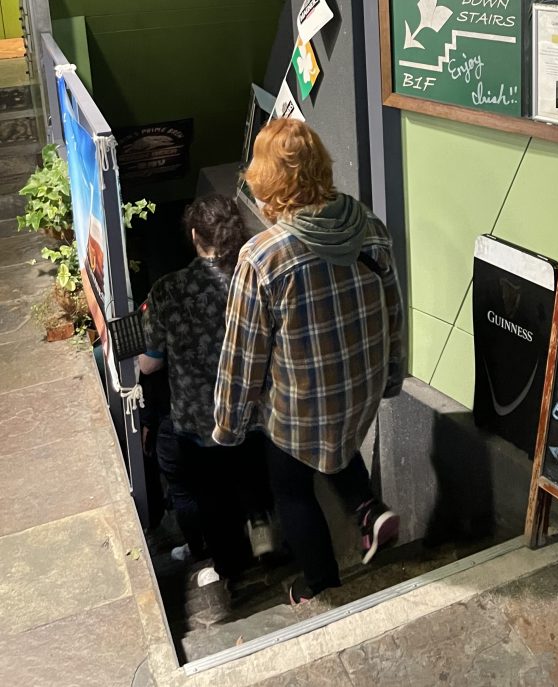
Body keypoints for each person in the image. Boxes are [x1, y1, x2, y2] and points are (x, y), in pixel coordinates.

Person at [213, 119, 406, 603]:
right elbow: (394, 313)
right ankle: (367, 509)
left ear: (268, 182)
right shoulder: (370, 228)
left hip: (300, 409)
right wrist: (391, 377)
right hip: (359, 392)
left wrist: (228, 427)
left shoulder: (262, 257)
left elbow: (242, 356)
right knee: (336, 443)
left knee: (291, 487)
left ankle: (322, 586)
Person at [139, 194, 271, 584]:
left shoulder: (167, 290)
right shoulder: (255, 278)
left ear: (195, 235)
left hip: (199, 419)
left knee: (212, 499)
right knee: (253, 481)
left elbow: (152, 360)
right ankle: (265, 540)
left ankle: (230, 570)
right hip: (254, 409)